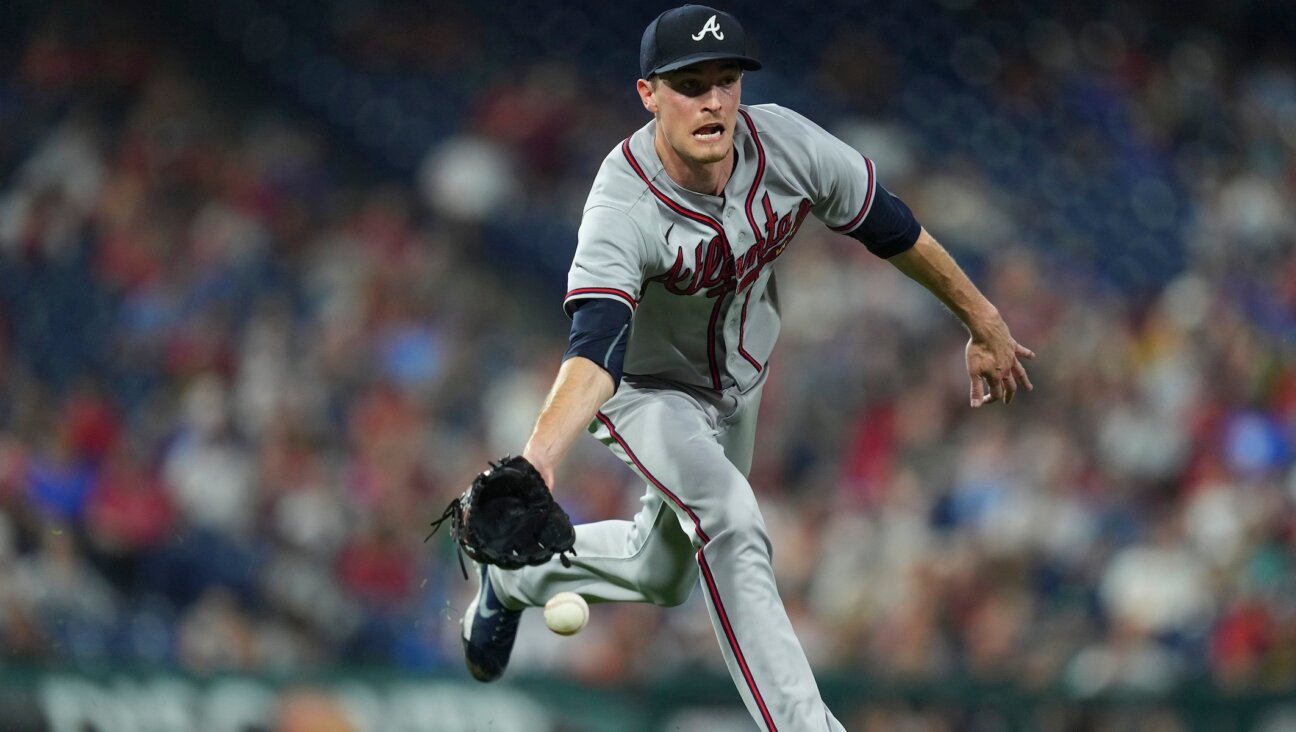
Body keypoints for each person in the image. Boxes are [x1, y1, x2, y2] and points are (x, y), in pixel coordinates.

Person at [460, 5, 1035, 730]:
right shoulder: (621, 202)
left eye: (725, 81)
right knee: (730, 519)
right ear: (648, 95)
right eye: (690, 84)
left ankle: (514, 580)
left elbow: (892, 226)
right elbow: (595, 344)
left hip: (741, 380)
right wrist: (541, 455)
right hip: (644, 388)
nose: (713, 101)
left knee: (660, 572)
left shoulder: (786, 144)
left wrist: (982, 319)